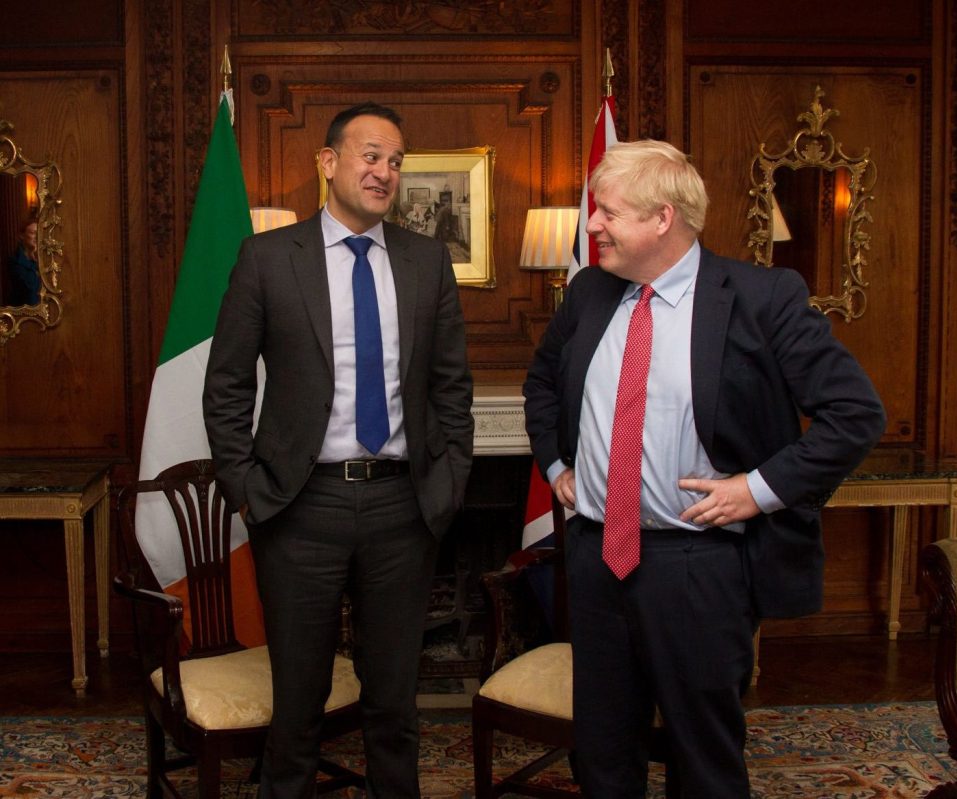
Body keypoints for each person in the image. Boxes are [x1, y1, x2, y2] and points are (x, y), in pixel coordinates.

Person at [523, 139, 886, 798]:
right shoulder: (589, 295)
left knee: (704, 757)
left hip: (699, 566)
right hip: (596, 559)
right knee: (602, 752)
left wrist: (758, 489)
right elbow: (544, 381)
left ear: (662, 217)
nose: (592, 225)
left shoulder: (762, 296)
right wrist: (555, 463)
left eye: (606, 212)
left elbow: (854, 414)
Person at [202, 101, 474, 799]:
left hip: (401, 509)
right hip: (300, 508)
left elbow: (451, 387)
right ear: (328, 162)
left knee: (394, 703)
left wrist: (446, 485)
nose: (385, 172)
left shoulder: (425, 261)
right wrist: (246, 488)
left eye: (395, 161)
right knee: (298, 705)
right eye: (371, 155)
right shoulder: (268, 258)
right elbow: (226, 385)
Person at [7, 219, 40, 306]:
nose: (37, 237)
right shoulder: (14, 261)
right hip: (23, 312)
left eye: (39, 233)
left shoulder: (43, 257)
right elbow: (31, 287)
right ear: (22, 236)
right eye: (33, 233)